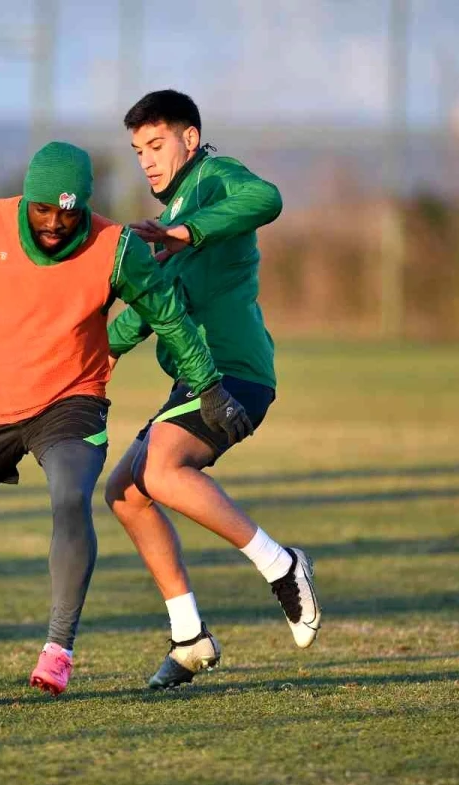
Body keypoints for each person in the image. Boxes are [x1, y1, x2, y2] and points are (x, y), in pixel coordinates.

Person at [0, 141, 253, 696]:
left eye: (68, 212)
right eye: (43, 209)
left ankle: (59, 647)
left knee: (71, 497)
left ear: (86, 206)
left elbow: (169, 318)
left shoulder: (117, 247)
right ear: (27, 200)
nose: (54, 223)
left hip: (72, 400)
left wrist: (210, 387)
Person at [104, 90, 322, 690]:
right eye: (137, 150)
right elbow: (150, 309)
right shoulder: (171, 214)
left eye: (157, 144)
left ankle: (283, 566)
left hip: (234, 374)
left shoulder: (214, 180)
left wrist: (187, 231)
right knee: (123, 492)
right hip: (195, 379)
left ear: (190, 139)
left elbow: (267, 198)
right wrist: (90, 352)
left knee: (163, 471)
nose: (146, 160)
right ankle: (189, 637)